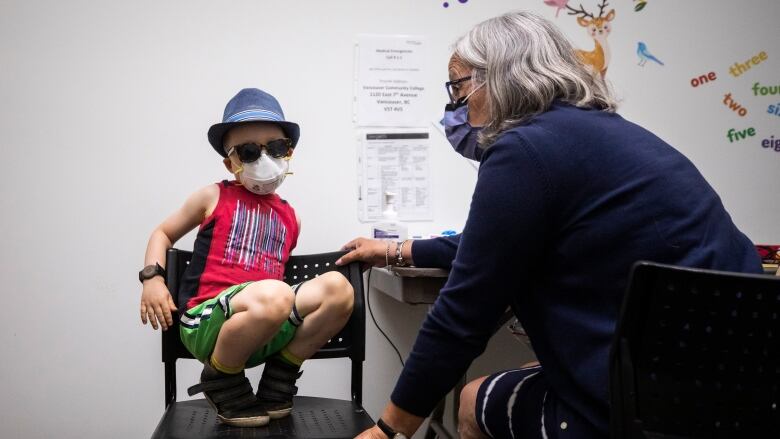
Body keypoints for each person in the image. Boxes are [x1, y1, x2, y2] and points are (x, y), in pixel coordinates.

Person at [337, 11, 762, 439]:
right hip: (739, 392)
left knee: (472, 398)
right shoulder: (617, 136)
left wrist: (390, 430)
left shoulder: (523, 150)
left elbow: (463, 313)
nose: (455, 106)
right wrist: (398, 249)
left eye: (459, 85)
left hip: (639, 407)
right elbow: (492, 246)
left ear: (497, 79)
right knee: (533, 370)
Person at [139, 88, 354, 427]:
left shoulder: (291, 218)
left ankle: (278, 378)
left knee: (339, 289)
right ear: (230, 162)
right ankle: (221, 378)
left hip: (264, 324)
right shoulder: (213, 196)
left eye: (277, 148)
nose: (265, 160)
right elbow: (162, 233)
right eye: (249, 151)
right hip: (208, 322)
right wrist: (153, 279)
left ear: (290, 152)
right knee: (276, 293)